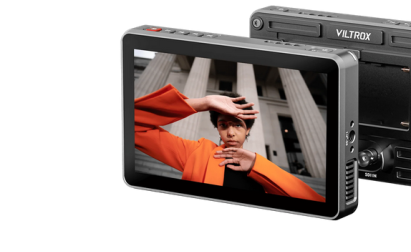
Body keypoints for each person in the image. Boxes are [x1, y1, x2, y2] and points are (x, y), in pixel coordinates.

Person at [134, 84, 325, 202]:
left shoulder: (264, 170)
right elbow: (131, 123)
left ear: (248, 130)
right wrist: (204, 103)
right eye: (223, 125)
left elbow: (316, 202)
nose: (231, 133)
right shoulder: (197, 152)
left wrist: (256, 164)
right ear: (217, 128)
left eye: (238, 125)